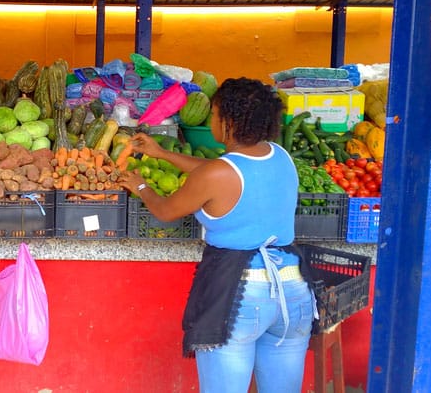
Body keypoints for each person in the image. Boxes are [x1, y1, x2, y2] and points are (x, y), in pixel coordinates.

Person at [119, 77, 316, 393]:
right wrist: (162, 153)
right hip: (293, 291)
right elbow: (218, 170)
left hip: (240, 294)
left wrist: (141, 186)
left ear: (229, 123)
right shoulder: (279, 155)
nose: (211, 120)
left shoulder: (218, 174)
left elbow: (167, 210)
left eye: (213, 114)